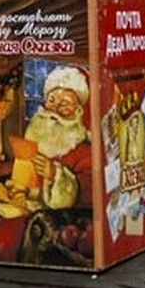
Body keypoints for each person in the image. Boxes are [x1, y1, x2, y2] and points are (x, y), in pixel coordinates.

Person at [22, 64, 93, 209]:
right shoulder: (34, 143)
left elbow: (88, 192)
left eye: (64, 104)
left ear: (78, 111)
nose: (54, 110)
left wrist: (56, 175)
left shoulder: (84, 153)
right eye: (51, 100)